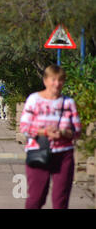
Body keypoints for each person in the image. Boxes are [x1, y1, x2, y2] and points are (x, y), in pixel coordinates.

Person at [19, 64, 81, 209]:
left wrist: (64, 133)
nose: (57, 84)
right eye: (53, 79)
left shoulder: (68, 103)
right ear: (45, 80)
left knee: (60, 201)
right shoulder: (34, 100)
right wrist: (45, 132)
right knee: (36, 199)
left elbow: (77, 131)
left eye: (60, 80)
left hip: (63, 156)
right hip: (39, 151)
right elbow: (24, 128)